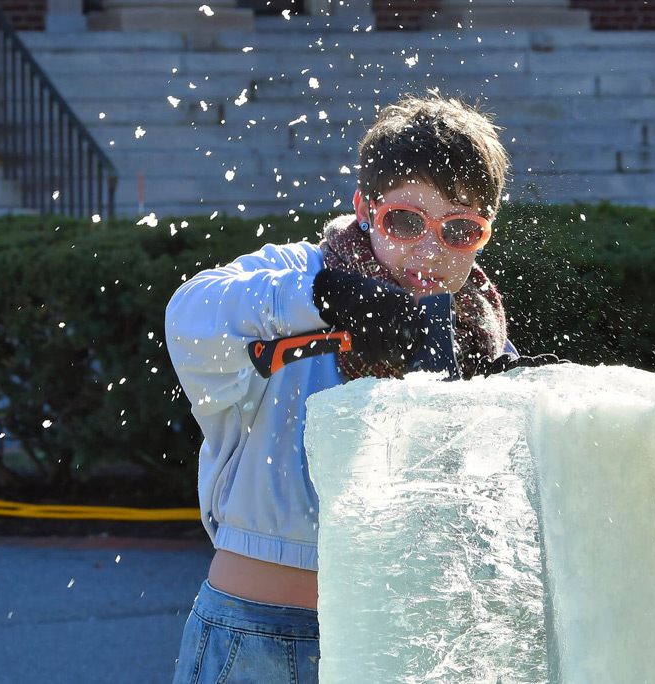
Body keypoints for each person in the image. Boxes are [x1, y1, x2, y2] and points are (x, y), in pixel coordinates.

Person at [164, 93, 557, 684]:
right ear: (364, 209)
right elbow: (190, 316)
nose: (427, 251)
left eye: (458, 229)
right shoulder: (297, 279)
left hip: (406, 644)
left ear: (485, 234)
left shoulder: (477, 330)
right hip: (262, 635)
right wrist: (322, 300)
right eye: (404, 221)